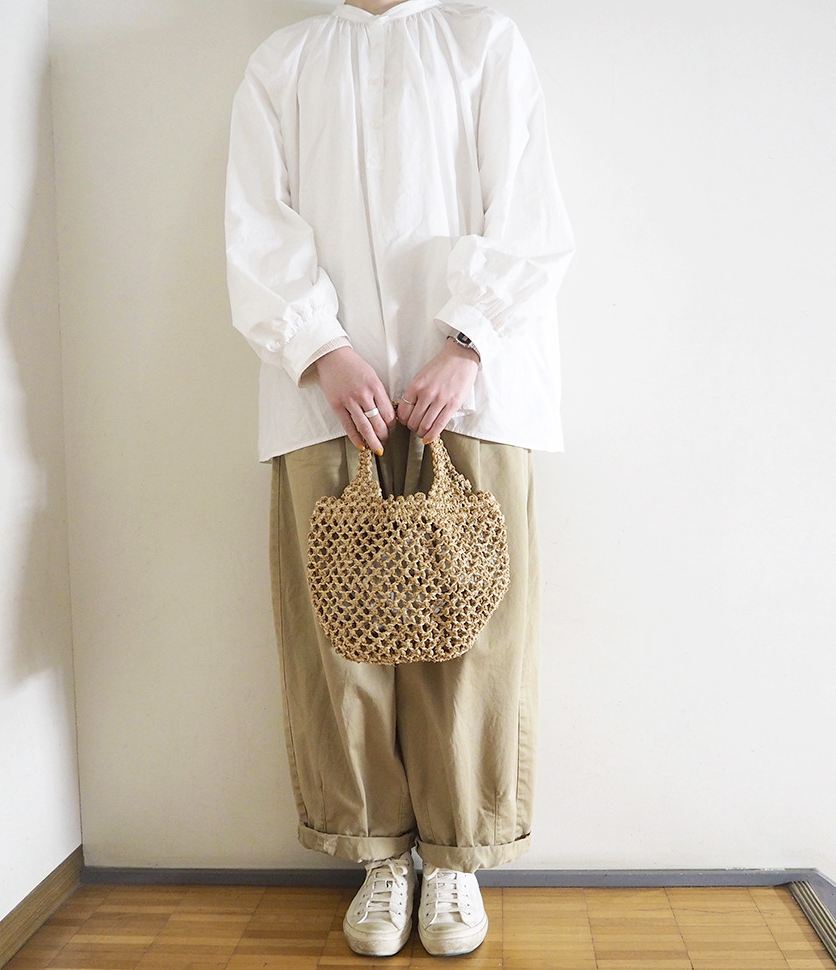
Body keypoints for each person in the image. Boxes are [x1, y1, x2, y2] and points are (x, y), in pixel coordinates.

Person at [223, 0, 573, 957]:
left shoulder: (482, 40)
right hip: (325, 392)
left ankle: (457, 858)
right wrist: (322, 348)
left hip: (475, 390)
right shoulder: (284, 61)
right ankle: (379, 856)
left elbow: (529, 211)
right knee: (341, 636)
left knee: (474, 627)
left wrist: (468, 342)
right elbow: (257, 225)